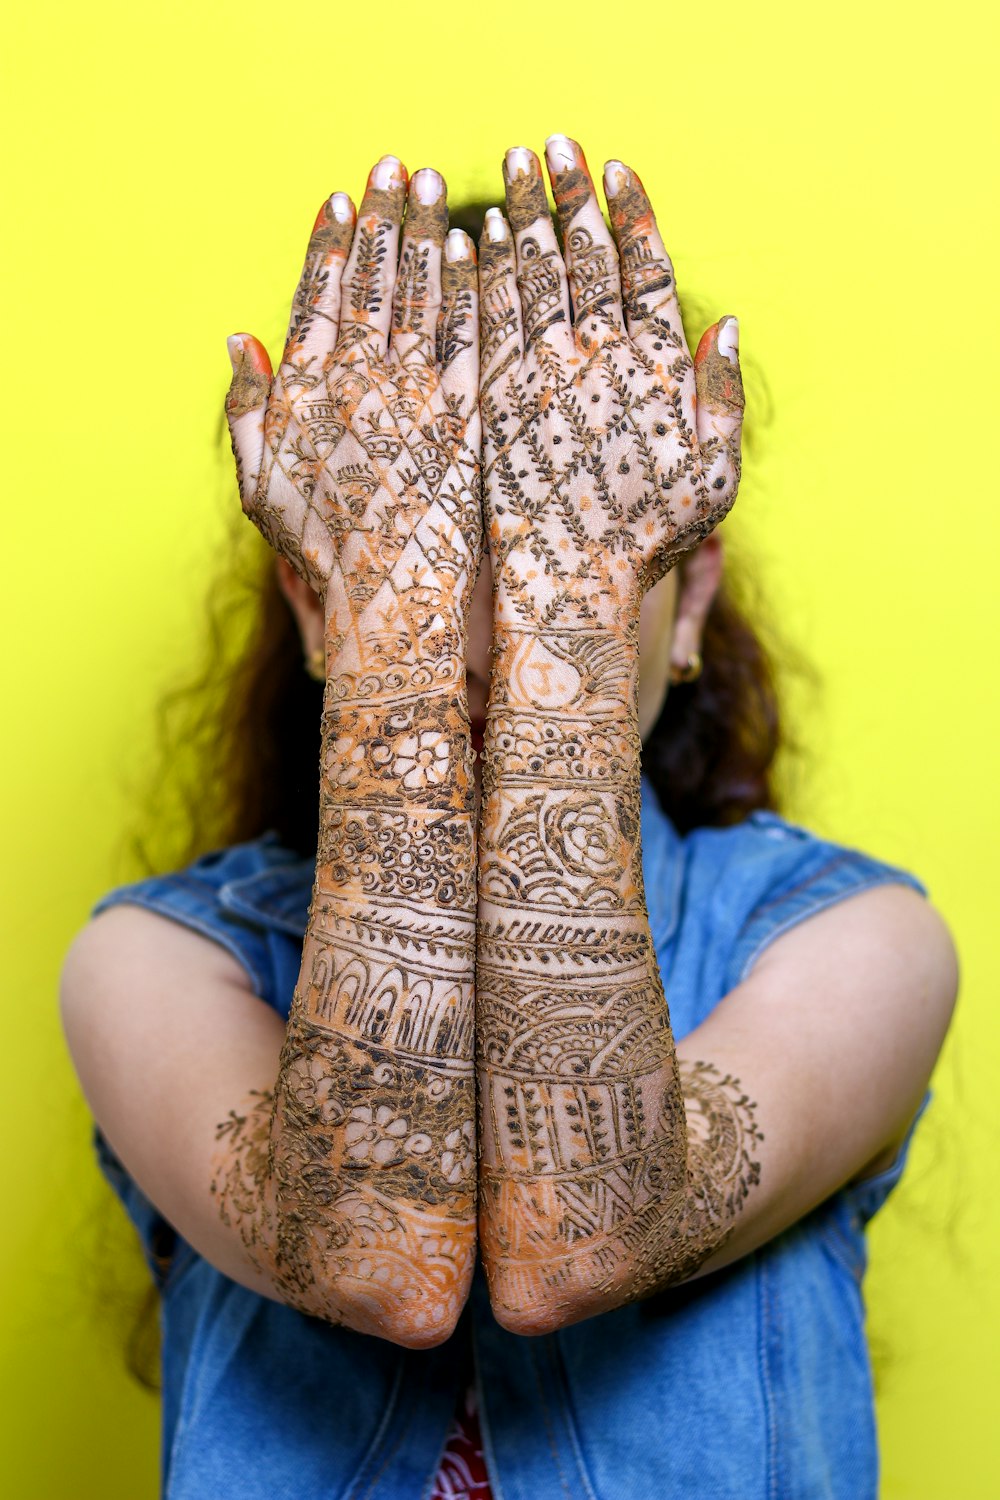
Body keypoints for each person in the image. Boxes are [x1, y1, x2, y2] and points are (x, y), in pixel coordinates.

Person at [59, 136, 958, 1499]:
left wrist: (557, 629)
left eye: (569, 532)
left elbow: (578, 1241)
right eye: (433, 536)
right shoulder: (157, 965)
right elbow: (376, 1257)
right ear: (317, 602)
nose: (495, 599)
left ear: (689, 597)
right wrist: (397, 639)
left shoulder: (852, 943)